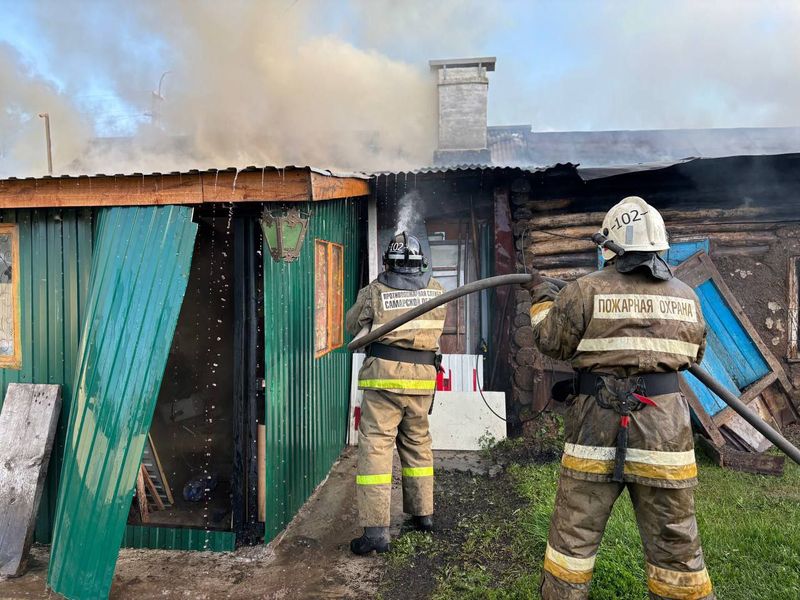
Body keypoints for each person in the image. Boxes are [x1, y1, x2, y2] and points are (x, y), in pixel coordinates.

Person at [526, 197, 715, 599]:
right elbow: (696, 354)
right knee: (676, 543)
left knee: (573, 538)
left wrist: (543, 300)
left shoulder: (583, 291)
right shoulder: (687, 296)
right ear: (659, 246)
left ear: (610, 246)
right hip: (665, 432)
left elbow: (550, 341)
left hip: (596, 425)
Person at [345, 231, 447, 555]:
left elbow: (352, 325)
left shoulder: (375, 291)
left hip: (384, 383)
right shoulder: (437, 290)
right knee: (418, 445)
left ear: (387, 262)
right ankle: (423, 515)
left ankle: (376, 533)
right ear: (421, 263)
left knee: (376, 448)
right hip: (422, 382)